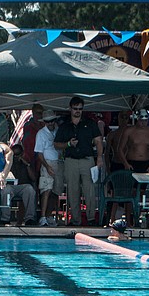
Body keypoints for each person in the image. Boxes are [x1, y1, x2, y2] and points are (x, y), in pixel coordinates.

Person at [54, 96, 104, 227]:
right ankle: (75, 220)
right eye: (75, 108)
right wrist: (69, 144)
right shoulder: (64, 126)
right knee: (72, 191)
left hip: (87, 160)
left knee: (89, 190)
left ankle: (91, 219)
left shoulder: (90, 123)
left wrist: (99, 157)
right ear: (70, 108)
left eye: (80, 109)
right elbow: (56, 144)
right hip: (70, 161)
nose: (78, 111)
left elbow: (98, 141)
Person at [34, 110, 63, 226]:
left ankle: (49, 215)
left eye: (52, 121)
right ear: (44, 122)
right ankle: (43, 217)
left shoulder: (58, 131)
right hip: (48, 163)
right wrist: (47, 166)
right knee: (46, 190)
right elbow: (39, 154)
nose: (50, 123)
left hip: (59, 162)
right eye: (47, 121)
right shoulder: (41, 134)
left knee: (56, 191)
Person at [0, 143, 37, 226]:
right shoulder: (7, 163)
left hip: (23, 186)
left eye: (17, 155)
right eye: (14, 155)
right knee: (5, 190)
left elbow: (34, 178)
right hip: (10, 186)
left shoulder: (26, 163)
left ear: (22, 154)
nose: (15, 157)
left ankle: (30, 218)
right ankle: (5, 219)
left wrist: (27, 165)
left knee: (30, 189)